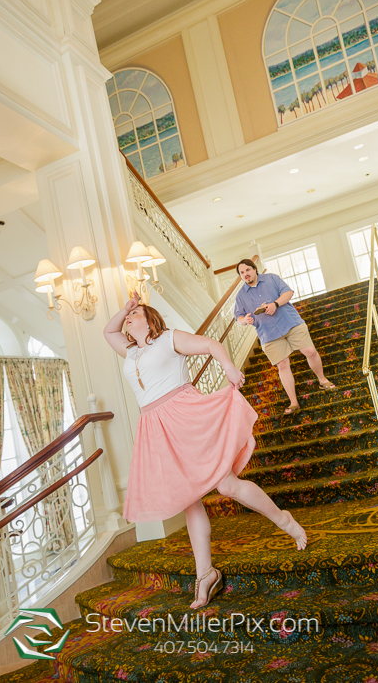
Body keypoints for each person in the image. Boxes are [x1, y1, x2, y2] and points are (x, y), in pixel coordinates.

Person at [103, 293, 307, 610]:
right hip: (155, 426)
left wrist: (227, 367)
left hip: (184, 415)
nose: (129, 318)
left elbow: (211, 344)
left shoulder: (169, 339)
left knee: (226, 485)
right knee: (189, 502)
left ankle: (285, 521)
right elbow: (108, 332)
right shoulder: (130, 352)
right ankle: (205, 574)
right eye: (129, 315)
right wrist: (125, 307)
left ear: (150, 319)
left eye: (136, 313)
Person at [234, 259, 336, 415]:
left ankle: (323, 380)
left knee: (310, 351)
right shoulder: (241, 295)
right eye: (242, 273)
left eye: (247, 270)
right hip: (268, 333)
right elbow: (238, 318)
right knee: (282, 365)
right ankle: (294, 402)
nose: (245, 274)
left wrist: (275, 304)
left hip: (290, 322)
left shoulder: (271, 278)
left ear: (254, 269)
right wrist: (245, 321)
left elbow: (288, 293)